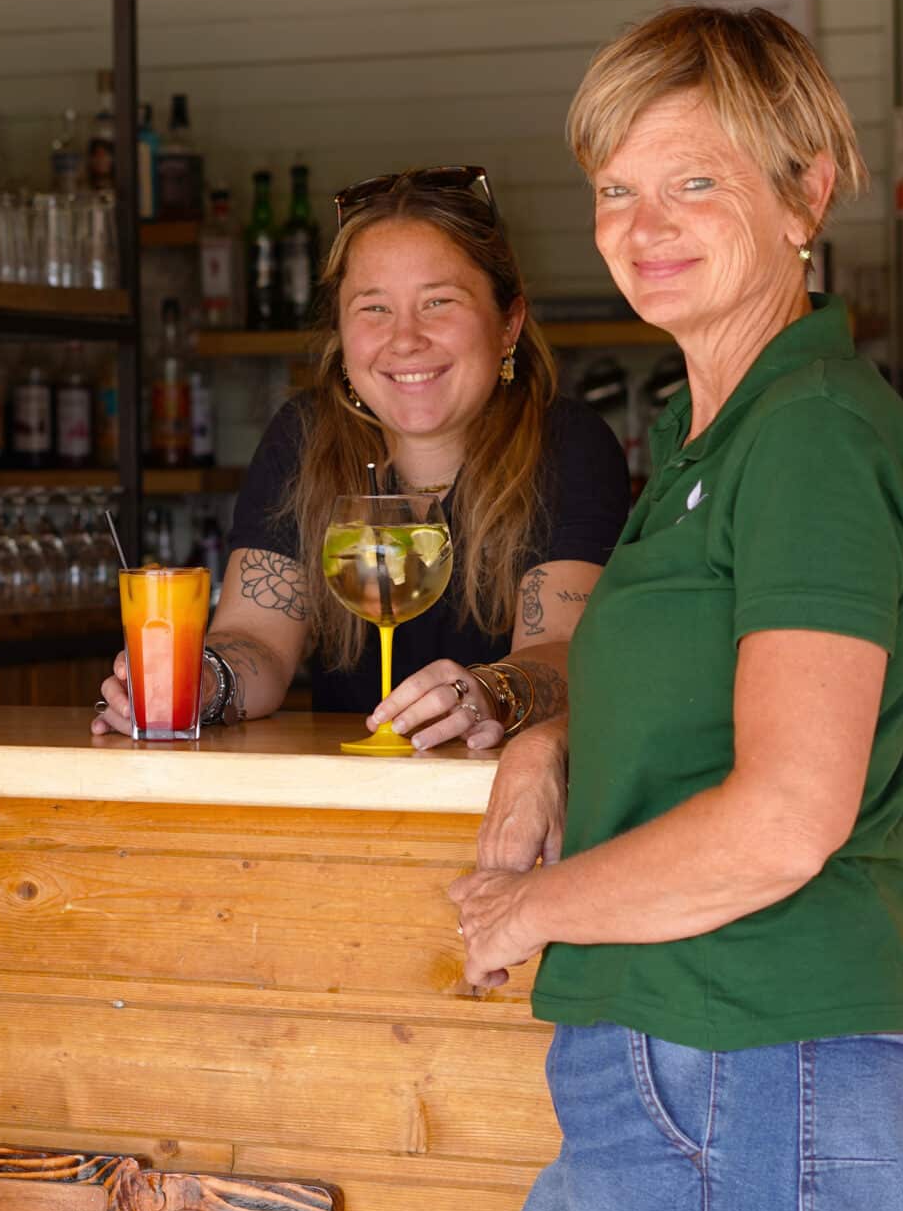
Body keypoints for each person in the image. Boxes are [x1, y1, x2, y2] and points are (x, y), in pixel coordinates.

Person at [443, 6, 903, 1211]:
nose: (643, 222)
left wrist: (528, 905)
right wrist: (541, 744)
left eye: (694, 181)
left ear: (807, 194)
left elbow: (789, 811)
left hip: (743, 1059)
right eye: (616, 189)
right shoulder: (702, 433)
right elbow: (676, 694)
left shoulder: (814, 439)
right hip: (667, 1060)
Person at [95, 167, 629, 800]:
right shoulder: (305, 439)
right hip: (345, 799)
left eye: (439, 302)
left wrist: (488, 692)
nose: (405, 339)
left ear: (508, 322)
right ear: (342, 336)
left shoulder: (567, 444)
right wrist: (202, 682)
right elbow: (259, 638)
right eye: (373, 308)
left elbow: (563, 647)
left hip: (508, 803)